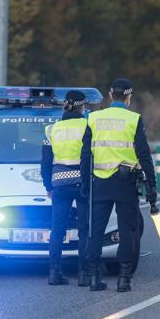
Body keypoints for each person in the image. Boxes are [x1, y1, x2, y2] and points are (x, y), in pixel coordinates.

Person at [80, 78, 156, 292]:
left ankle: (94, 278)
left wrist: (85, 183)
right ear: (129, 97)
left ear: (111, 94)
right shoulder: (134, 119)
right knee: (128, 231)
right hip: (125, 183)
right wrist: (152, 186)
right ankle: (124, 279)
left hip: (100, 183)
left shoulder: (93, 118)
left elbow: (85, 156)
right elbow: (144, 154)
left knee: (95, 230)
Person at [41, 90, 90, 286]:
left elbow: (45, 163)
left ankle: (54, 273)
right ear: (82, 106)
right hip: (82, 183)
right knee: (84, 228)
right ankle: (84, 274)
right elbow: (88, 156)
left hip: (59, 184)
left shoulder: (51, 130)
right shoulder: (88, 126)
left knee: (57, 229)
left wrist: (48, 185)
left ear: (65, 106)